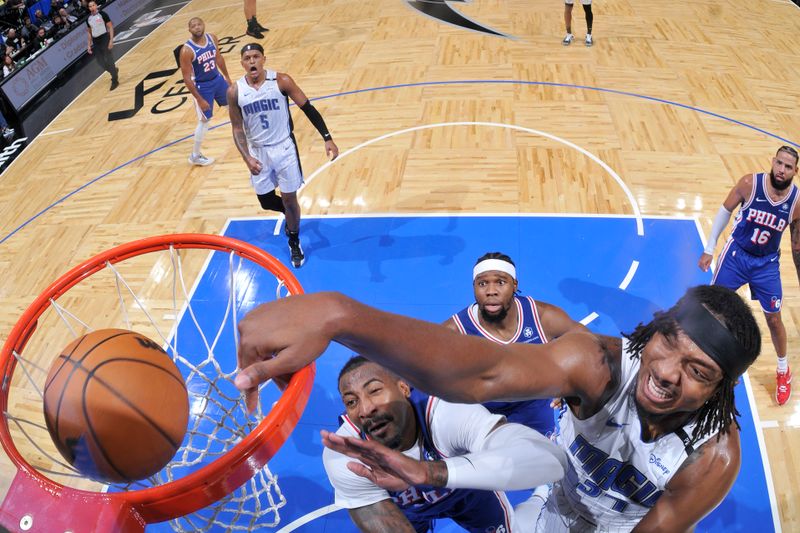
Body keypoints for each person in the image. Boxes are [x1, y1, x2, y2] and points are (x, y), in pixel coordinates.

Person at [234, 284, 761, 531]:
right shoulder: (598, 362)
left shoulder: (713, 457)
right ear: (654, 329)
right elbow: (483, 373)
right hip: (556, 505)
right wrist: (339, 314)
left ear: (720, 389)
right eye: (667, 342)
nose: (667, 372)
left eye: (698, 372)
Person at [322, 355, 567, 533]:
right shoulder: (344, 455)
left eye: (375, 390)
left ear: (404, 388)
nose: (365, 409)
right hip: (409, 509)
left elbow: (549, 460)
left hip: (468, 492)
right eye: (352, 402)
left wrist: (424, 472)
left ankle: (539, 497)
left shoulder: (448, 413)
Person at [699, 146, 798, 406]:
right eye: (779, 163)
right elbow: (724, 210)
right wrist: (709, 248)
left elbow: (797, 243)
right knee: (714, 309)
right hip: (737, 256)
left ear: (795, 172)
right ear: (773, 161)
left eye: (788, 167)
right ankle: (718, 360)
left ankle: (782, 369)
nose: (781, 169)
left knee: (774, 320)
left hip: (766, 264)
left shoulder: (796, 202)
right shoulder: (749, 184)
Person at [444, 252, 582, 434]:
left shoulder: (543, 317)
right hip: (482, 416)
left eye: (500, 282)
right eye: (482, 283)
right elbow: (416, 370)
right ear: (474, 287)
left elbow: (588, 344)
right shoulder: (456, 330)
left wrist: (571, 384)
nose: (491, 291)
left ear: (515, 285)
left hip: (534, 408)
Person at [227, 43, 339, 269]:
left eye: (255, 57)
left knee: (289, 198)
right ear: (242, 63)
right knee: (266, 201)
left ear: (263, 59)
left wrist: (327, 137)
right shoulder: (235, 91)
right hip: (258, 151)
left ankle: (294, 240)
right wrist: (246, 157)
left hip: (284, 148)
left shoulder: (281, 81)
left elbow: (308, 108)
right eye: (247, 58)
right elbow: (237, 128)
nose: (252, 61)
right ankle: (292, 214)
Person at [179, 17, 231, 167]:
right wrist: (199, 99)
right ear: (189, 30)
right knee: (204, 121)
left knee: (233, 106)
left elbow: (218, 58)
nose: (197, 27)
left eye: (199, 24)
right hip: (203, 87)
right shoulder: (186, 50)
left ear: (204, 25)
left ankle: (248, 135)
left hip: (217, 80)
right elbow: (187, 78)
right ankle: (195, 156)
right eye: (193, 26)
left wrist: (226, 76)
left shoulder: (212, 38)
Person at [86, 0, 118, 90]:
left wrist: (111, 40)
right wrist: (88, 45)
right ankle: (114, 71)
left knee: (109, 59)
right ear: (88, 8)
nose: (92, 7)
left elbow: (110, 27)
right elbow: (89, 33)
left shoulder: (103, 14)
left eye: (93, 5)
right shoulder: (88, 19)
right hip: (96, 41)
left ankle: (115, 80)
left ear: (96, 6)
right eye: (90, 6)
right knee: (100, 61)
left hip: (104, 38)